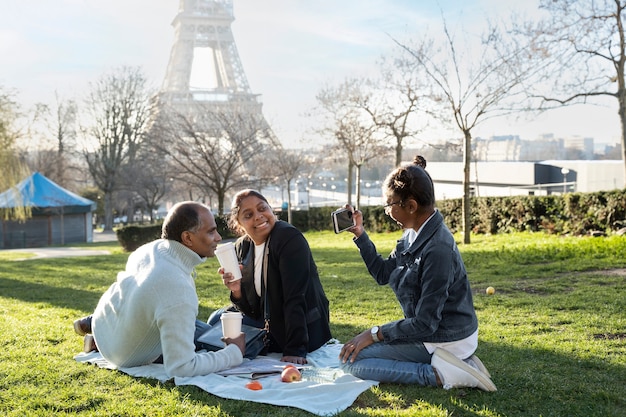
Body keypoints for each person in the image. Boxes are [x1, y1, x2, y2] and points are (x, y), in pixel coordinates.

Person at [338, 156, 497, 391]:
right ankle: (459, 365)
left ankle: (444, 374)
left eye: (389, 205)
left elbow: (425, 323)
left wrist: (374, 334)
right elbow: (384, 273)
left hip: (446, 337)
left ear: (410, 206)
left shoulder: (438, 249)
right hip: (433, 332)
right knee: (351, 356)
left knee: (352, 364)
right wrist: (360, 235)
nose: (386, 211)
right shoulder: (413, 233)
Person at [72, 201, 245, 378]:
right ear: (187, 238)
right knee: (208, 336)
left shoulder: (153, 248)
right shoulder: (177, 289)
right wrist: (234, 353)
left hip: (105, 324)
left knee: (197, 327)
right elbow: (181, 367)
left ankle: (94, 337)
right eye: (211, 231)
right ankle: (98, 338)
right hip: (122, 355)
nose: (218, 237)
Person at [210, 189, 332, 365]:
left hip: (302, 327)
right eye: (248, 214)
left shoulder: (288, 238)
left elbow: (296, 297)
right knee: (217, 318)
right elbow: (250, 309)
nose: (258, 216)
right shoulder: (242, 246)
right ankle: (243, 346)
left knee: (218, 329)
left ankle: (245, 347)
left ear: (270, 209)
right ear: (239, 224)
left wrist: (295, 349)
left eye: (262, 208)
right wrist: (237, 291)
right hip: (266, 320)